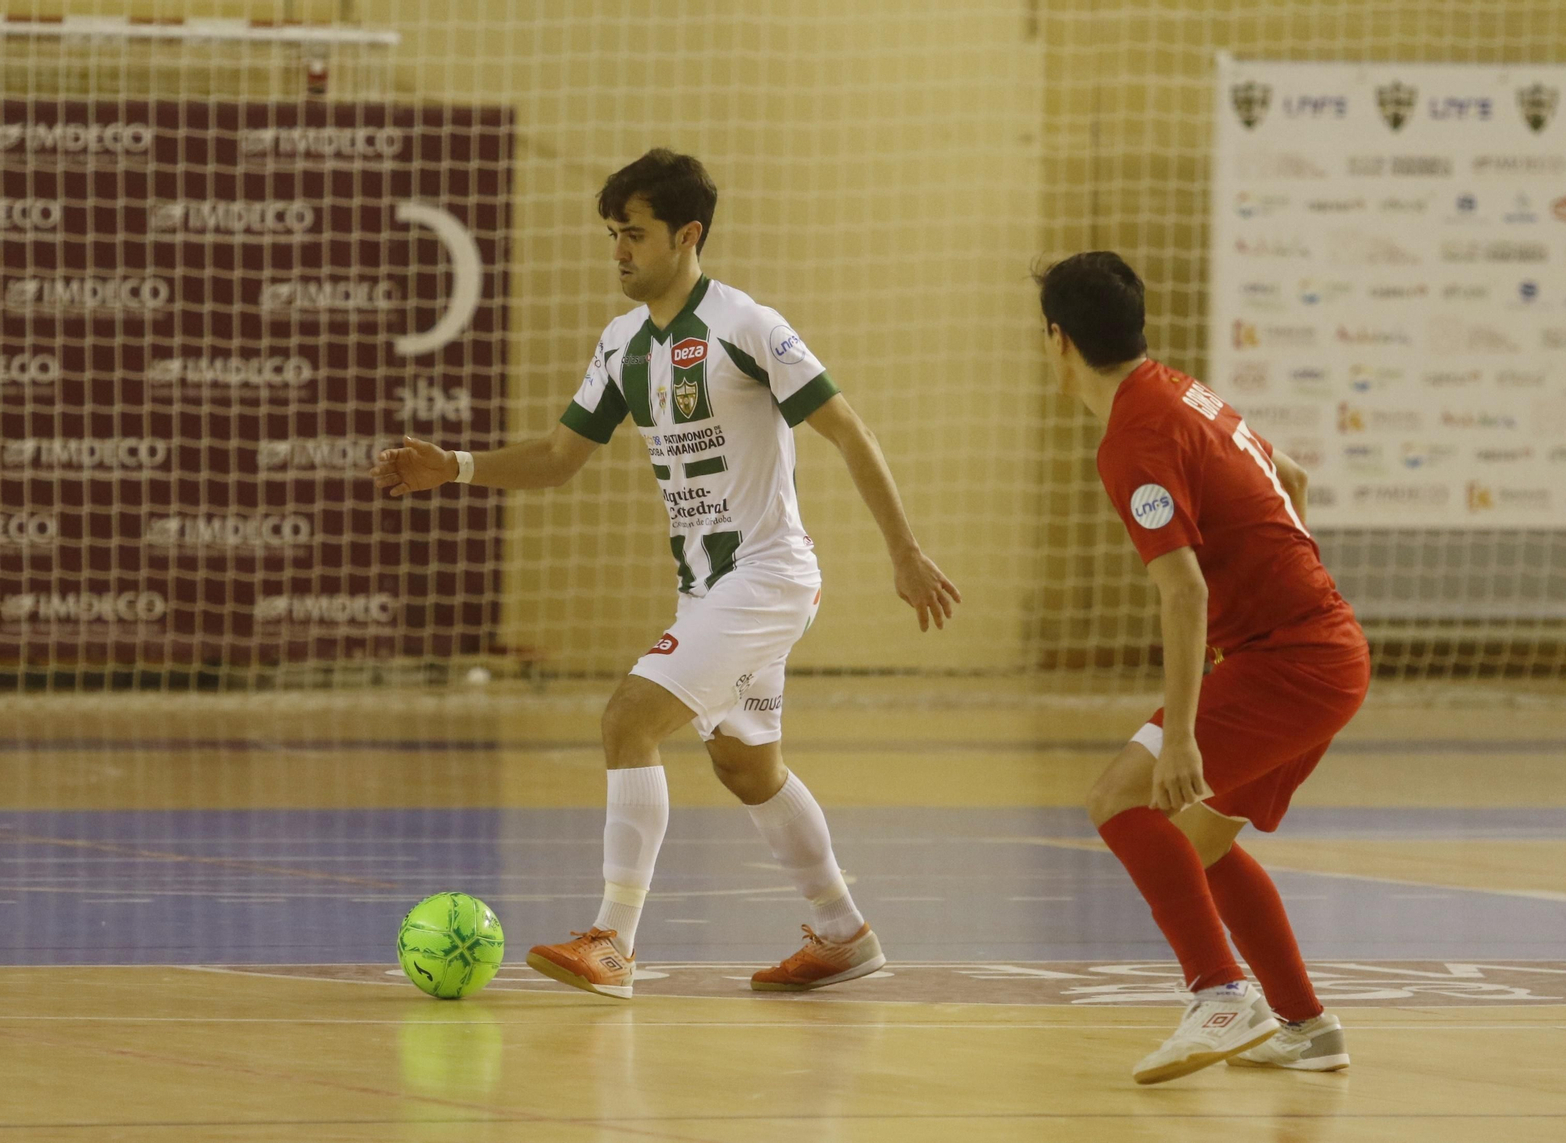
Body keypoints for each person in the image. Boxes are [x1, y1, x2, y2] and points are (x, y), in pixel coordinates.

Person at [372, 149, 960, 999]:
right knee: (747, 767)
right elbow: (558, 456)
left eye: (634, 234)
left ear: (687, 236)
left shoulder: (748, 325)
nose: (618, 251)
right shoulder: (620, 344)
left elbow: (848, 431)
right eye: (612, 233)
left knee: (628, 719)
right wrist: (455, 467)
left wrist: (904, 551)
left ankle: (613, 939)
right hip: (711, 588)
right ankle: (842, 932)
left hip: (764, 576)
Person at [1036, 251, 1369, 1084]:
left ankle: (1221, 993)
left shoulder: (1132, 439)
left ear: (1058, 341)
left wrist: (1181, 733)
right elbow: (1289, 477)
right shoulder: (1187, 391)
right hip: (1326, 648)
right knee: (1200, 841)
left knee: (1120, 796)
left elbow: (1182, 592)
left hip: (1289, 660)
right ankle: (1307, 1024)